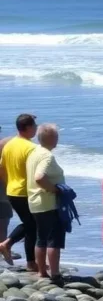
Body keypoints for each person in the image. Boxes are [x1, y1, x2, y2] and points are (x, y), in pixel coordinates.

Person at [25, 124, 66, 284]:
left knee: (41, 238)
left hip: (35, 201)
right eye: (56, 136)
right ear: (51, 138)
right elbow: (39, 177)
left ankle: (42, 272)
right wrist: (55, 189)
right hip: (48, 202)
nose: (57, 139)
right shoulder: (47, 156)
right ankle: (54, 273)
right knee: (54, 239)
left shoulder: (34, 152)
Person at [0, 114, 39, 270]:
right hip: (25, 192)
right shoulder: (31, 148)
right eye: (34, 125)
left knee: (30, 224)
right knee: (33, 225)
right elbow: (37, 173)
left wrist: (9, 183)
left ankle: (9, 245)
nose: (36, 128)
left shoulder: (9, 145)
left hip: (12, 190)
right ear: (28, 128)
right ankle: (28, 260)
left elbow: (2, 168)